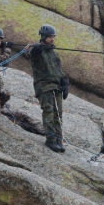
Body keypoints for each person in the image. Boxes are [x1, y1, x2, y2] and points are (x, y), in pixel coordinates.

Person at [25, 24, 70, 153]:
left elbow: (60, 72)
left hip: (56, 87)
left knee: (58, 113)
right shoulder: (37, 50)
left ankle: (58, 139)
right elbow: (32, 55)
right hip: (44, 86)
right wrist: (37, 48)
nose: (52, 39)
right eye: (50, 37)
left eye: (53, 37)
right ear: (44, 37)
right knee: (49, 111)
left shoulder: (55, 54)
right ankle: (50, 139)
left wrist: (65, 82)